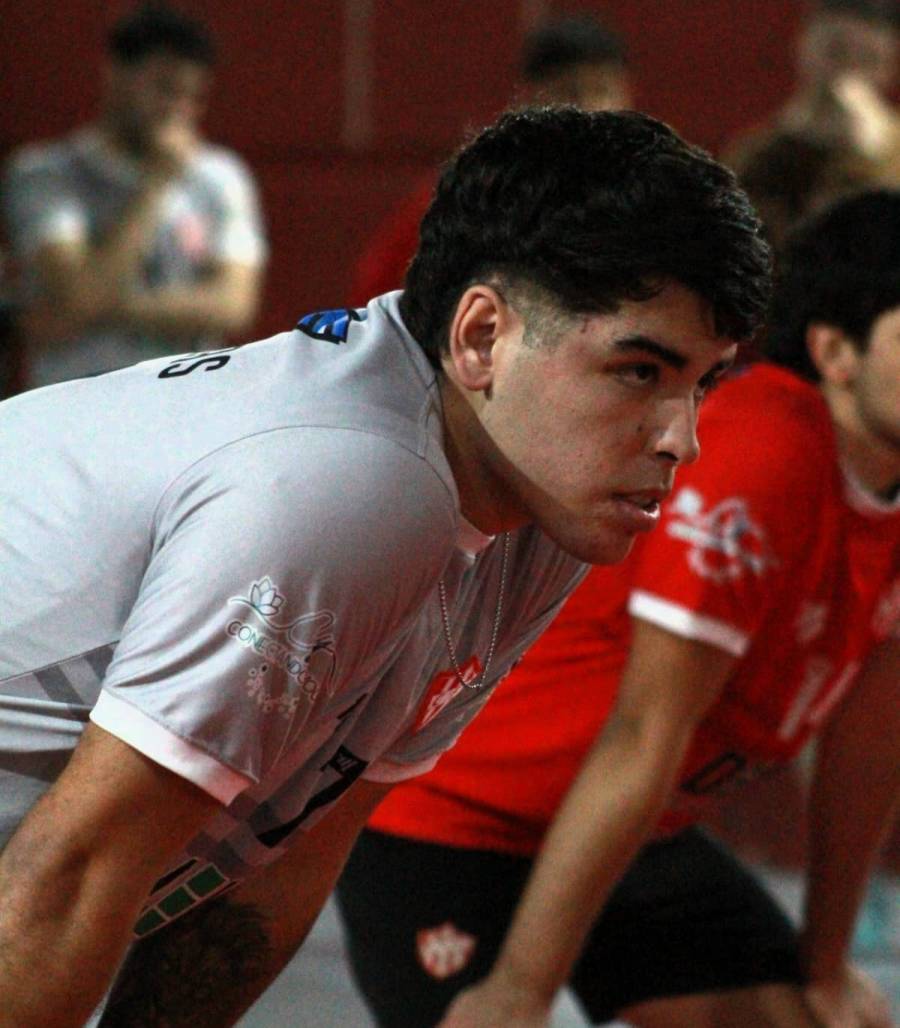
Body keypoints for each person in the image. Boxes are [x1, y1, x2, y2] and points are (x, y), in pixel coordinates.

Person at [0, 106, 768, 1027]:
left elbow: (289, 850)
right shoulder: (351, 483)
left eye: (704, 383)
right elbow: (72, 876)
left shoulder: (535, 498)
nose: (682, 439)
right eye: (640, 371)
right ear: (481, 337)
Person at [336, 189, 900, 1028]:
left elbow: (867, 749)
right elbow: (641, 733)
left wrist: (825, 968)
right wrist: (522, 991)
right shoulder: (766, 453)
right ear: (835, 353)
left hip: (628, 830)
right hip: (456, 818)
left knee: (821, 1021)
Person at [1, 2, 266, 391]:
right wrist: (155, 184)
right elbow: (78, 294)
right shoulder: (46, 175)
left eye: (193, 97)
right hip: (79, 399)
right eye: (164, 89)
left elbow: (233, 304)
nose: (177, 109)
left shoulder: (220, 177)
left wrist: (99, 309)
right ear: (115, 74)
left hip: (185, 399)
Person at [349, 10, 632, 304]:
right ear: (531, 96)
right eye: (569, 92)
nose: (588, 107)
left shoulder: (645, 196)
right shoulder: (473, 194)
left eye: (602, 90)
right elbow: (379, 298)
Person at [725, 0, 900, 198]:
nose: (848, 72)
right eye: (836, 52)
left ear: (889, 68)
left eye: (867, 58)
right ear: (804, 47)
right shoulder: (758, 154)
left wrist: (876, 151)